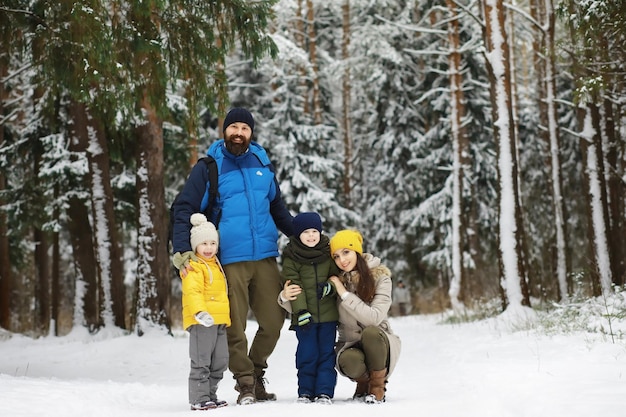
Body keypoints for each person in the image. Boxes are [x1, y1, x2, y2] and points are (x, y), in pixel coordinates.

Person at [172, 107, 294, 405]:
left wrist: (306, 237)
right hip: (227, 259)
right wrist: (182, 251)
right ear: (224, 130)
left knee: (274, 320)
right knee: (234, 324)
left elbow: (278, 209)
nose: (239, 133)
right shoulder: (209, 166)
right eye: (233, 127)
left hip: (264, 254)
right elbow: (183, 207)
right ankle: (246, 383)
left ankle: (256, 369)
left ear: (251, 133)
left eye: (245, 128)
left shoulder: (262, 162)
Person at [281, 229, 401, 404]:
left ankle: (377, 386)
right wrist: (284, 297)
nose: (342, 260)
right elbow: (313, 301)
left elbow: (373, 318)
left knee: (371, 332)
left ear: (357, 252)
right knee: (348, 360)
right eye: (336, 256)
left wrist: (344, 294)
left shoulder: (380, 278)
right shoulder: (336, 279)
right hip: (351, 344)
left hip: (379, 344)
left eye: (346, 252)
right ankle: (363, 383)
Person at [278, 212, 340, 404]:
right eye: (306, 232)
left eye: (315, 231)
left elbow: (336, 275)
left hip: (328, 317)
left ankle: (324, 392)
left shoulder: (327, 253)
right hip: (305, 319)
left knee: (326, 354)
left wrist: (331, 286)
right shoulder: (291, 257)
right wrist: (301, 311)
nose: (311, 235)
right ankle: (305, 391)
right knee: (307, 354)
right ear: (298, 234)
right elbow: (294, 286)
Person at [182, 213, 230, 410]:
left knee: (220, 360)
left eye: (212, 243)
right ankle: (198, 398)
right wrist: (199, 312)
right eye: (204, 244)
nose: (209, 248)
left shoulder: (217, 265)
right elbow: (192, 292)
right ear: (195, 246)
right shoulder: (193, 267)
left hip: (219, 321)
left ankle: (210, 394)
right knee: (202, 361)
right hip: (201, 321)